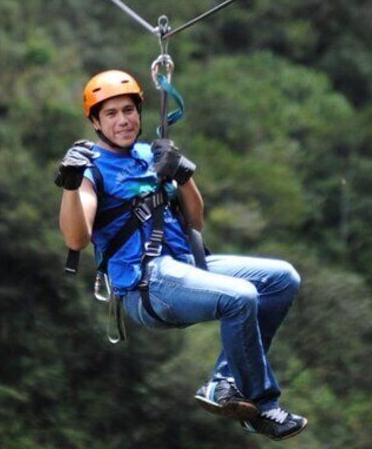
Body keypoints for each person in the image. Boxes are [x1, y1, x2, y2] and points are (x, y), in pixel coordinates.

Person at [55, 69, 307, 441]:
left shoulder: (150, 153)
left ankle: (224, 383)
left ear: (139, 112)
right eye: (111, 114)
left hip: (186, 264)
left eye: (129, 110)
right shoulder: (92, 168)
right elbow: (77, 239)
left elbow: (195, 221)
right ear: (95, 121)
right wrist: (71, 187)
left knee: (283, 279)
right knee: (241, 297)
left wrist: (182, 174)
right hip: (148, 283)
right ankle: (263, 407)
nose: (123, 120)